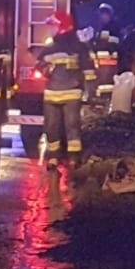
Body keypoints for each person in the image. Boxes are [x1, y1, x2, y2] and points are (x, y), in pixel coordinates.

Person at [36, 9, 95, 169]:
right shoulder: (51, 46)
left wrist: (89, 92)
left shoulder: (77, 47)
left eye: (53, 25)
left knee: (72, 127)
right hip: (52, 93)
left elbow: (88, 69)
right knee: (51, 127)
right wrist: (45, 69)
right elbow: (39, 64)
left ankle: (73, 158)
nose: (50, 29)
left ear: (62, 26)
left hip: (71, 92)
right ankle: (53, 158)